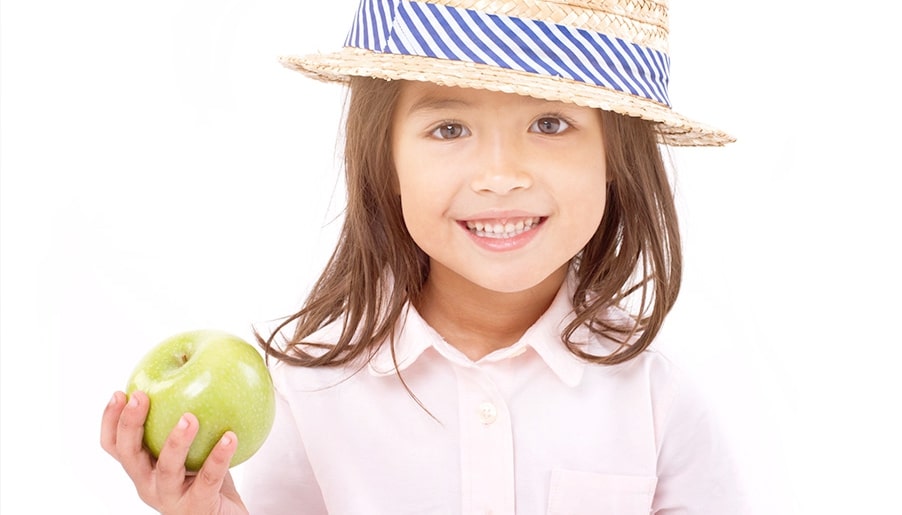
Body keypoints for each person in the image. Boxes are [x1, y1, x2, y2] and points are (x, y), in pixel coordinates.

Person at [101, 0, 747, 513]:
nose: (501, 175)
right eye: (449, 128)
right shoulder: (305, 396)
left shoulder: (658, 403)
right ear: (385, 160)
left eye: (550, 123)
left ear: (618, 157)